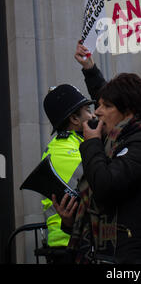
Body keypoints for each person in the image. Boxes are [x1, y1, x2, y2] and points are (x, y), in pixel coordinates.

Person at [52, 73, 141, 264]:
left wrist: (92, 143)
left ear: (130, 110)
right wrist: (70, 221)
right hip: (106, 255)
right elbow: (102, 207)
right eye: (99, 105)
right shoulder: (114, 143)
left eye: (107, 106)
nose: (97, 112)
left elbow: (105, 187)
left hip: (132, 258)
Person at [41, 84, 96, 263]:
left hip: (77, 240)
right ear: (74, 118)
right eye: (88, 110)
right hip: (67, 245)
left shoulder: (75, 143)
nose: (94, 114)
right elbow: (99, 179)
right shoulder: (63, 149)